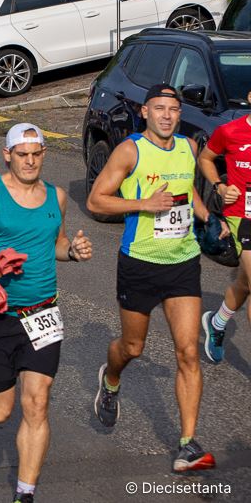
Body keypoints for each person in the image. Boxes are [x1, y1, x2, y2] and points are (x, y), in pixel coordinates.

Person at [0, 124, 93, 503]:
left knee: (38, 401)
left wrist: (72, 252)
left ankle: (24, 493)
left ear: (44, 153)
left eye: (36, 153)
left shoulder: (55, 198)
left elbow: (56, 244)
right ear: (7, 155)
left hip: (43, 314)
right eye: (22, 154)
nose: (30, 160)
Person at [86, 84, 216, 473]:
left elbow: (187, 188)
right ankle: (110, 380)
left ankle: (187, 443)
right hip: (140, 263)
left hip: (182, 262)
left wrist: (208, 217)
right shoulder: (130, 150)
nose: (166, 115)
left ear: (179, 114)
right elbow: (96, 200)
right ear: (145, 112)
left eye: (173, 109)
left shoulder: (188, 148)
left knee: (188, 352)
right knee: (132, 348)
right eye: (159, 108)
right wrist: (143, 203)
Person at [197, 94, 251, 364]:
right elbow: (206, 158)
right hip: (244, 216)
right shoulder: (230, 131)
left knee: (245, 282)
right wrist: (220, 186)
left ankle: (217, 323)